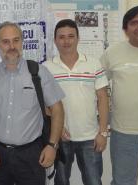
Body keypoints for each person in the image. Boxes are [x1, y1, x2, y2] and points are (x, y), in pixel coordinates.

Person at [0, 21, 65, 185]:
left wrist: (52, 146)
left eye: (16, 40)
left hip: (30, 154)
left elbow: (57, 110)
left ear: (22, 41)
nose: (11, 46)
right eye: (5, 42)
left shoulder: (38, 72)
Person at [100, 5, 138, 185]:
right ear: (126, 29)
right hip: (122, 132)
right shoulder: (112, 53)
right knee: (122, 181)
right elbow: (98, 86)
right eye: (134, 23)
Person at [44, 19, 109, 185]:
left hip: (91, 137)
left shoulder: (94, 64)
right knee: (61, 181)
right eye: (62, 37)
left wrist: (103, 132)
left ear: (78, 38)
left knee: (94, 181)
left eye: (71, 36)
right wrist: (56, 127)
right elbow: (44, 104)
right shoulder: (47, 68)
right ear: (55, 40)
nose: (66, 41)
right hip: (61, 137)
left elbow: (103, 98)